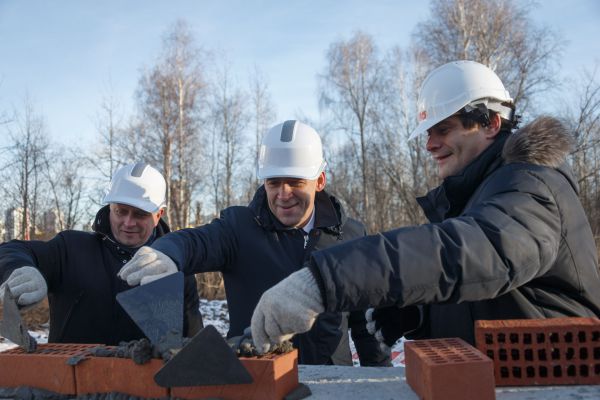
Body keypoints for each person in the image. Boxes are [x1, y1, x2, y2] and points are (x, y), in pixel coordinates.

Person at [249, 60, 600, 353]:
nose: (430, 145)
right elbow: (496, 291)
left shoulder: (532, 186)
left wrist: (323, 280)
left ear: (491, 123)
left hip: (557, 378)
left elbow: (477, 252)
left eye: (443, 130)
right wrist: (421, 315)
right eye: (429, 132)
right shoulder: (482, 193)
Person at [118, 120, 391, 366]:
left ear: (319, 181)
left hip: (330, 384)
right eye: (273, 182)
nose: (283, 194)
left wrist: (379, 380)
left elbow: (365, 325)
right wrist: (167, 252)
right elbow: (196, 241)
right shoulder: (239, 227)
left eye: (294, 182)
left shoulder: (351, 235)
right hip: (251, 380)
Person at [0, 162, 203, 345]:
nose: (128, 222)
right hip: (66, 381)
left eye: (140, 214)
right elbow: (12, 250)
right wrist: (18, 268)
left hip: (145, 384)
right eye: (121, 211)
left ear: (159, 215)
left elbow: (191, 344)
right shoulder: (71, 249)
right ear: (109, 207)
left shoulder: (175, 269)